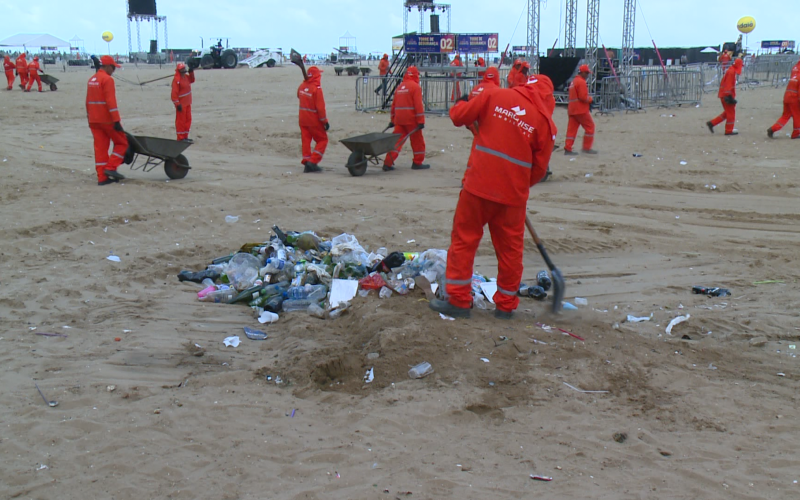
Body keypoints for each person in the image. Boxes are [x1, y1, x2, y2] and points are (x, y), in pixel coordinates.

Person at [429, 74, 556, 319]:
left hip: (478, 186)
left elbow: (459, 117)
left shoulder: (494, 95)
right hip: (512, 198)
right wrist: (516, 184)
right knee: (510, 251)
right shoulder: (546, 124)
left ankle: (459, 301)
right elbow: (539, 170)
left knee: (464, 240)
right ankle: (506, 306)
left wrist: (460, 102)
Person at [86, 55, 128, 186]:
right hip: (106, 120)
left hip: (94, 120)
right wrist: (116, 121)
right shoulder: (107, 80)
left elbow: (87, 101)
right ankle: (110, 167)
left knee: (100, 149)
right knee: (122, 143)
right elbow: (111, 102)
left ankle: (102, 178)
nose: (114, 70)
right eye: (114, 67)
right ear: (108, 66)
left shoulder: (92, 79)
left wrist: (89, 117)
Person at [383, 66, 428, 171]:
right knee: (417, 142)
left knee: (396, 142)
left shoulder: (400, 87)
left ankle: (387, 163)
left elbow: (394, 105)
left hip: (399, 119)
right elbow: (418, 105)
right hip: (411, 120)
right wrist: (421, 121)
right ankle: (417, 162)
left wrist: (393, 120)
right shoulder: (415, 87)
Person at [297, 66, 328, 173]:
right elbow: (320, 108)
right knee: (322, 140)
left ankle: (306, 160)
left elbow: (298, 95)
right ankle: (313, 161)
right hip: (313, 120)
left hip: (302, 118)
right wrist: (325, 121)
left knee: (306, 140)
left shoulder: (302, 85)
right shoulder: (317, 89)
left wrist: (306, 84)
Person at [565, 64, 597, 154]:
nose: (587, 75)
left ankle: (568, 148)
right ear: (582, 72)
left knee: (571, 130)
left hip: (572, 110)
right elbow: (583, 97)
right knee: (590, 127)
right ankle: (586, 148)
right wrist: (590, 100)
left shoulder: (573, 81)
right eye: (587, 73)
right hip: (580, 110)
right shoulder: (581, 82)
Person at [707, 58, 743, 136]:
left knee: (727, 113)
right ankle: (729, 130)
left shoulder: (731, 70)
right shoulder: (731, 72)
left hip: (724, 94)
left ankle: (712, 123)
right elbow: (728, 85)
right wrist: (729, 97)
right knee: (731, 113)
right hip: (726, 95)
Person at [767, 70, 799, 139]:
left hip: (787, 97)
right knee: (797, 116)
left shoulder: (794, 76)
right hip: (794, 98)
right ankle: (796, 133)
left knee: (785, 116)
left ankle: (773, 129)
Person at [171, 62, 196, 141]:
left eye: (184, 68)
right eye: (182, 69)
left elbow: (192, 80)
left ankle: (185, 136)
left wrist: (191, 72)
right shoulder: (177, 80)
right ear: (179, 70)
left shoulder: (186, 77)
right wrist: (177, 104)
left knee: (188, 120)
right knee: (181, 121)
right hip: (181, 105)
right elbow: (174, 94)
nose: (184, 70)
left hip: (188, 102)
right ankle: (180, 137)